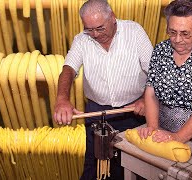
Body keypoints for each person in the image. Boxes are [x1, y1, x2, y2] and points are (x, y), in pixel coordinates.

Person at [53, 0, 153, 179]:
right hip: (97, 113)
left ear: (112, 17)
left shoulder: (135, 32)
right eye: (89, 29)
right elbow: (68, 69)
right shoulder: (82, 40)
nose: (95, 34)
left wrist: (147, 99)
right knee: (94, 165)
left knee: (133, 166)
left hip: (133, 111)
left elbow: (153, 70)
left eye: (100, 28)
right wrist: (62, 99)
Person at [138, 0, 192, 148]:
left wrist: (178, 137)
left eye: (185, 34)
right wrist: (153, 128)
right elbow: (151, 92)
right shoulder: (161, 50)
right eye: (172, 32)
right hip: (163, 129)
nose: (177, 40)